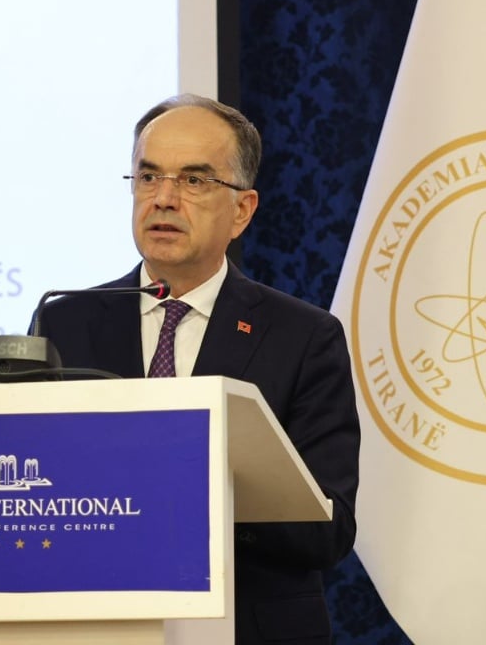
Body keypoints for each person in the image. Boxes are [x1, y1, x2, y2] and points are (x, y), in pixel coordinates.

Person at [35, 93, 360, 644]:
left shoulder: (304, 337)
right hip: (98, 624)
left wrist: (193, 494)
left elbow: (328, 530)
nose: (163, 199)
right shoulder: (64, 323)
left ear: (242, 211)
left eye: (193, 180)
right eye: (148, 177)